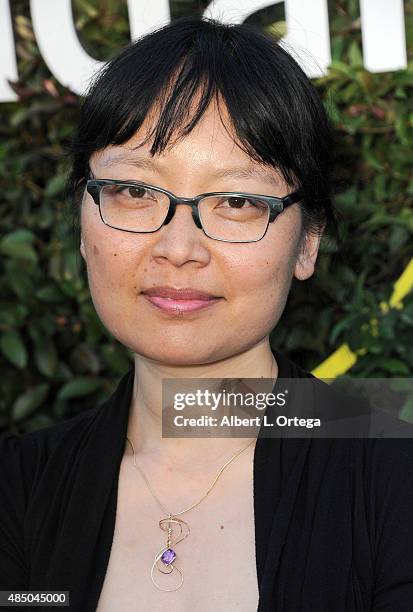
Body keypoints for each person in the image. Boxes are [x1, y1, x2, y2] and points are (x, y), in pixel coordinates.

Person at [1, 15, 413, 612]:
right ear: (84, 223)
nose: (178, 249)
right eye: (136, 192)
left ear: (308, 242)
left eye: (238, 201)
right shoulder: (18, 491)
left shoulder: (394, 478)